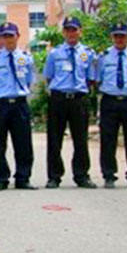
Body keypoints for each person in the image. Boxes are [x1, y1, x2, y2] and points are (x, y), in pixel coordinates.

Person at [0, 23, 37, 191]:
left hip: (19, 103)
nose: (8, 39)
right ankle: (0, 179)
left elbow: (28, 80)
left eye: (11, 36)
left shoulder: (26, 58)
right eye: (5, 36)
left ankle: (23, 177)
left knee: (23, 143)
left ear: (18, 36)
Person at [43, 16, 97, 189]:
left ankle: (81, 175)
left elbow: (90, 78)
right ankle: (54, 176)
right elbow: (49, 76)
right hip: (59, 98)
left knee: (81, 139)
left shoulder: (88, 53)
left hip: (78, 99)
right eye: (68, 30)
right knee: (54, 139)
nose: (71, 33)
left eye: (74, 29)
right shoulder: (55, 53)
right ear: (63, 32)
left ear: (80, 31)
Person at [97, 23, 127, 189]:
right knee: (108, 140)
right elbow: (97, 78)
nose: (119, 39)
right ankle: (109, 175)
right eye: (116, 36)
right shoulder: (103, 56)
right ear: (112, 37)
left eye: (122, 36)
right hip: (109, 101)